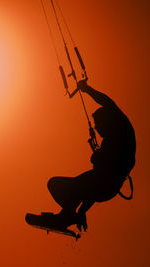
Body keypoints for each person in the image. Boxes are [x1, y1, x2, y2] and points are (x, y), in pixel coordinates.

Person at [47, 80, 136, 232]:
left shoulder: (121, 128)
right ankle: (68, 215)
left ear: (106, 120)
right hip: (105, 188)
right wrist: (82, 211)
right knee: (58, 185)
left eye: (98, 125)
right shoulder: (110, 142)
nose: (97, 129)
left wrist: (87, 89)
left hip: (107, 184)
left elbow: (108, 103)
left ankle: (67, 216)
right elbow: (92, 189)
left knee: (56, 185)